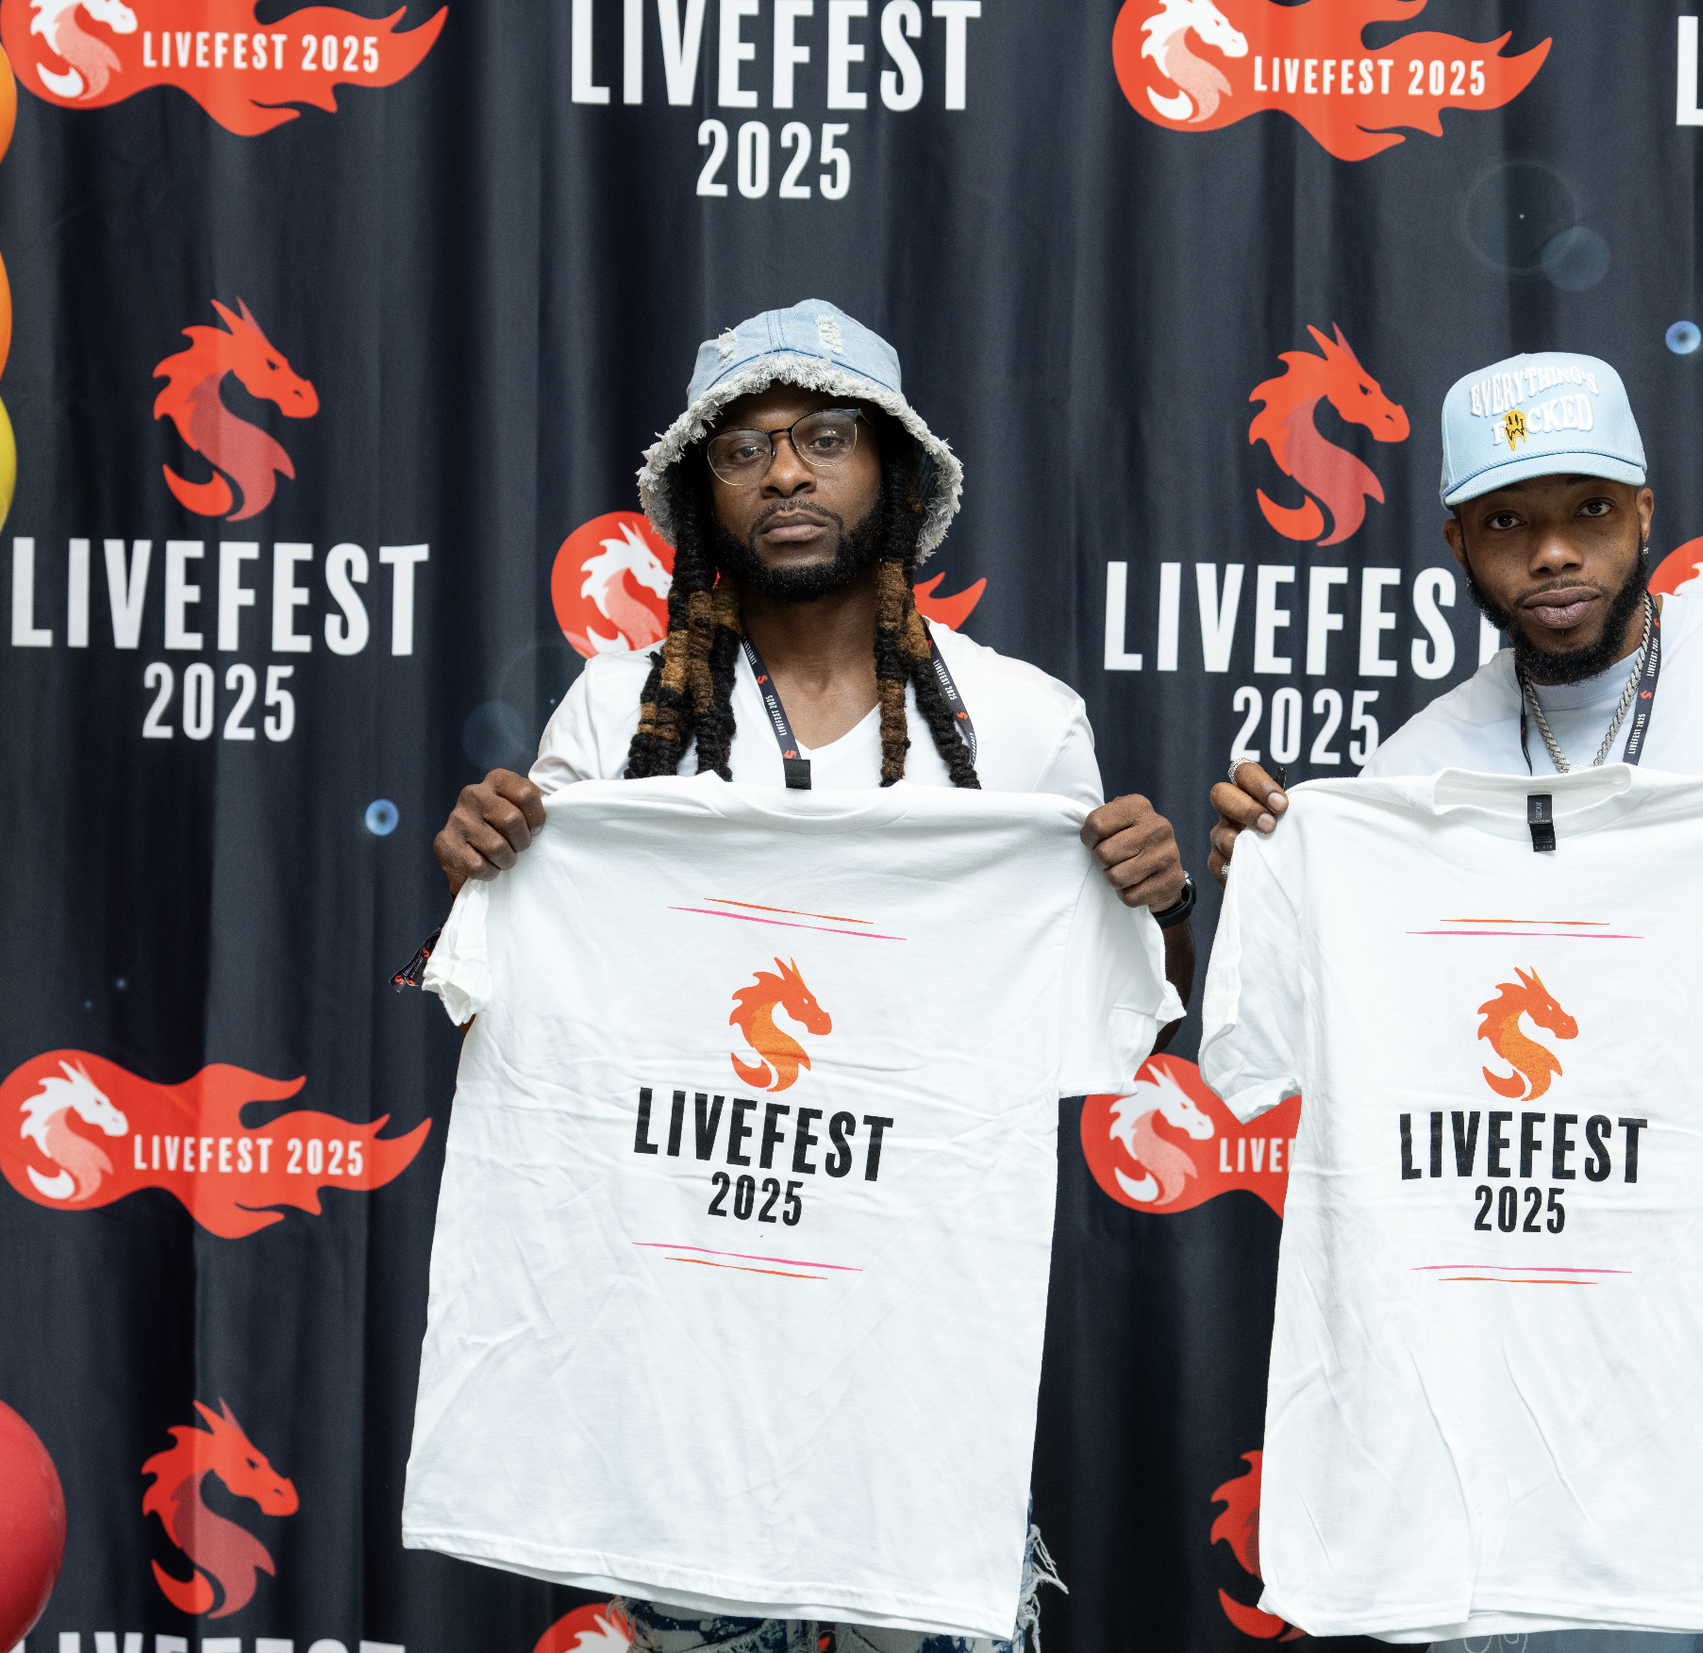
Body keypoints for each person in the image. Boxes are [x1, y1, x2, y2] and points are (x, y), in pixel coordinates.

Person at [1206, 351, 1703, 1653]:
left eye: (1586, 510)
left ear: (1647, 509)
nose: (1552, 555)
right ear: (1459, 542)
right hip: (1553, 1340)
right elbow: (1317, 1063)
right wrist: (1276, 885)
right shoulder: (1417, 773)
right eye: (1509, 523)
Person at [429, 299, 1194, 1653]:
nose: (785, 473)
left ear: (893, 476)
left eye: (825, 439)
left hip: (919, 1399)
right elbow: (526, 1029)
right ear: (699, 498)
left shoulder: (1021, 725)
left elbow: (1116, 1029)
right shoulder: (616, 718)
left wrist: (1164, 900)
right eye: (744, 451)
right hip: (681, 1385)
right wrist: (483, 876)